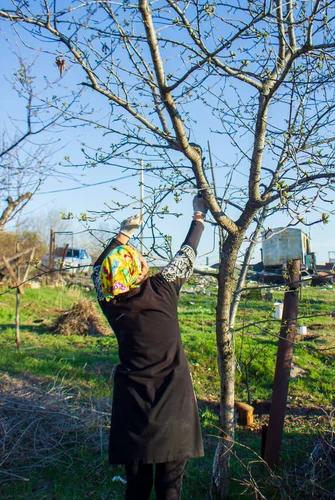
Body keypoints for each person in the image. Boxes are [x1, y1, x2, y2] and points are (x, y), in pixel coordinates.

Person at [91, 194, 208, 500]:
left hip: (133, 406)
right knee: (170, 487)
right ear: (140, 271)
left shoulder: (111, 303)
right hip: (173, 403)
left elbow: (98, 270)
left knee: (137, 486)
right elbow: (187, 253)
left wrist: (122, 235)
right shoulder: (162, 288)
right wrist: (198, 217)